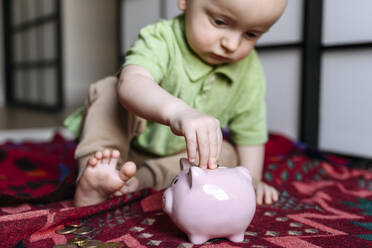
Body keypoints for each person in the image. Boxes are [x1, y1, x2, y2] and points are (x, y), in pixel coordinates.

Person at [67, 0, 288, 207]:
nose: (231, 44)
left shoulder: (250, 71)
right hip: (124, 144)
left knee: (228, 155)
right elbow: (132, 83)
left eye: (250, 34)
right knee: (111, 89)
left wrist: (253, 179)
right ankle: (95, 175)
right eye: (219, 22)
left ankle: (135, 182)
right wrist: (178, 111)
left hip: (178, 158)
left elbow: (250, 134)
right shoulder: (162, 38)